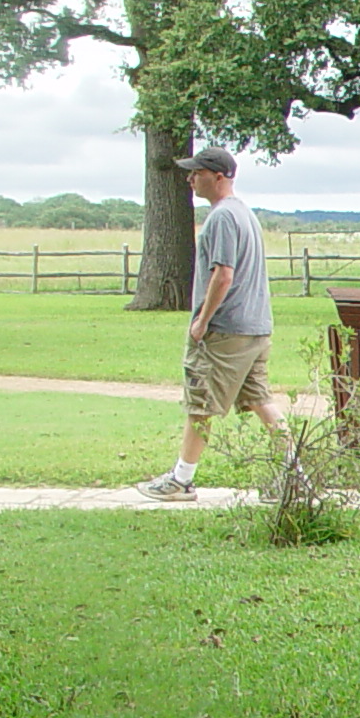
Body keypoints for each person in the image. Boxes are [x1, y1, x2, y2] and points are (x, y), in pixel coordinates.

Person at [136, 147, 289, 501]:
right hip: (256, 326)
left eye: (197, 173)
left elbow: (223, 275)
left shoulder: (221, 218)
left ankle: (181, 480)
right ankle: (295, 475)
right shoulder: (246, 214)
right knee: (260, 400)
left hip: (226, 329)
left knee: (200, 402)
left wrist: (202, 321)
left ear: (219, 176)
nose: (190, 179)